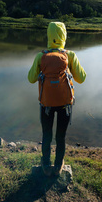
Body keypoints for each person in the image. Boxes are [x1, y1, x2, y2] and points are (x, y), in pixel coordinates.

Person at [28, 22, 86, 176]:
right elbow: (82, 79)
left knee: (46, 134)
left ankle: (46, 165)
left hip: (46, 104)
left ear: (49, 35)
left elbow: (31, 79)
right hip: (65, 105)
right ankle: (59, 164)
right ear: (64, 36)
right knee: (61, 136)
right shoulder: (70, 55)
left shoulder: (41, 56)